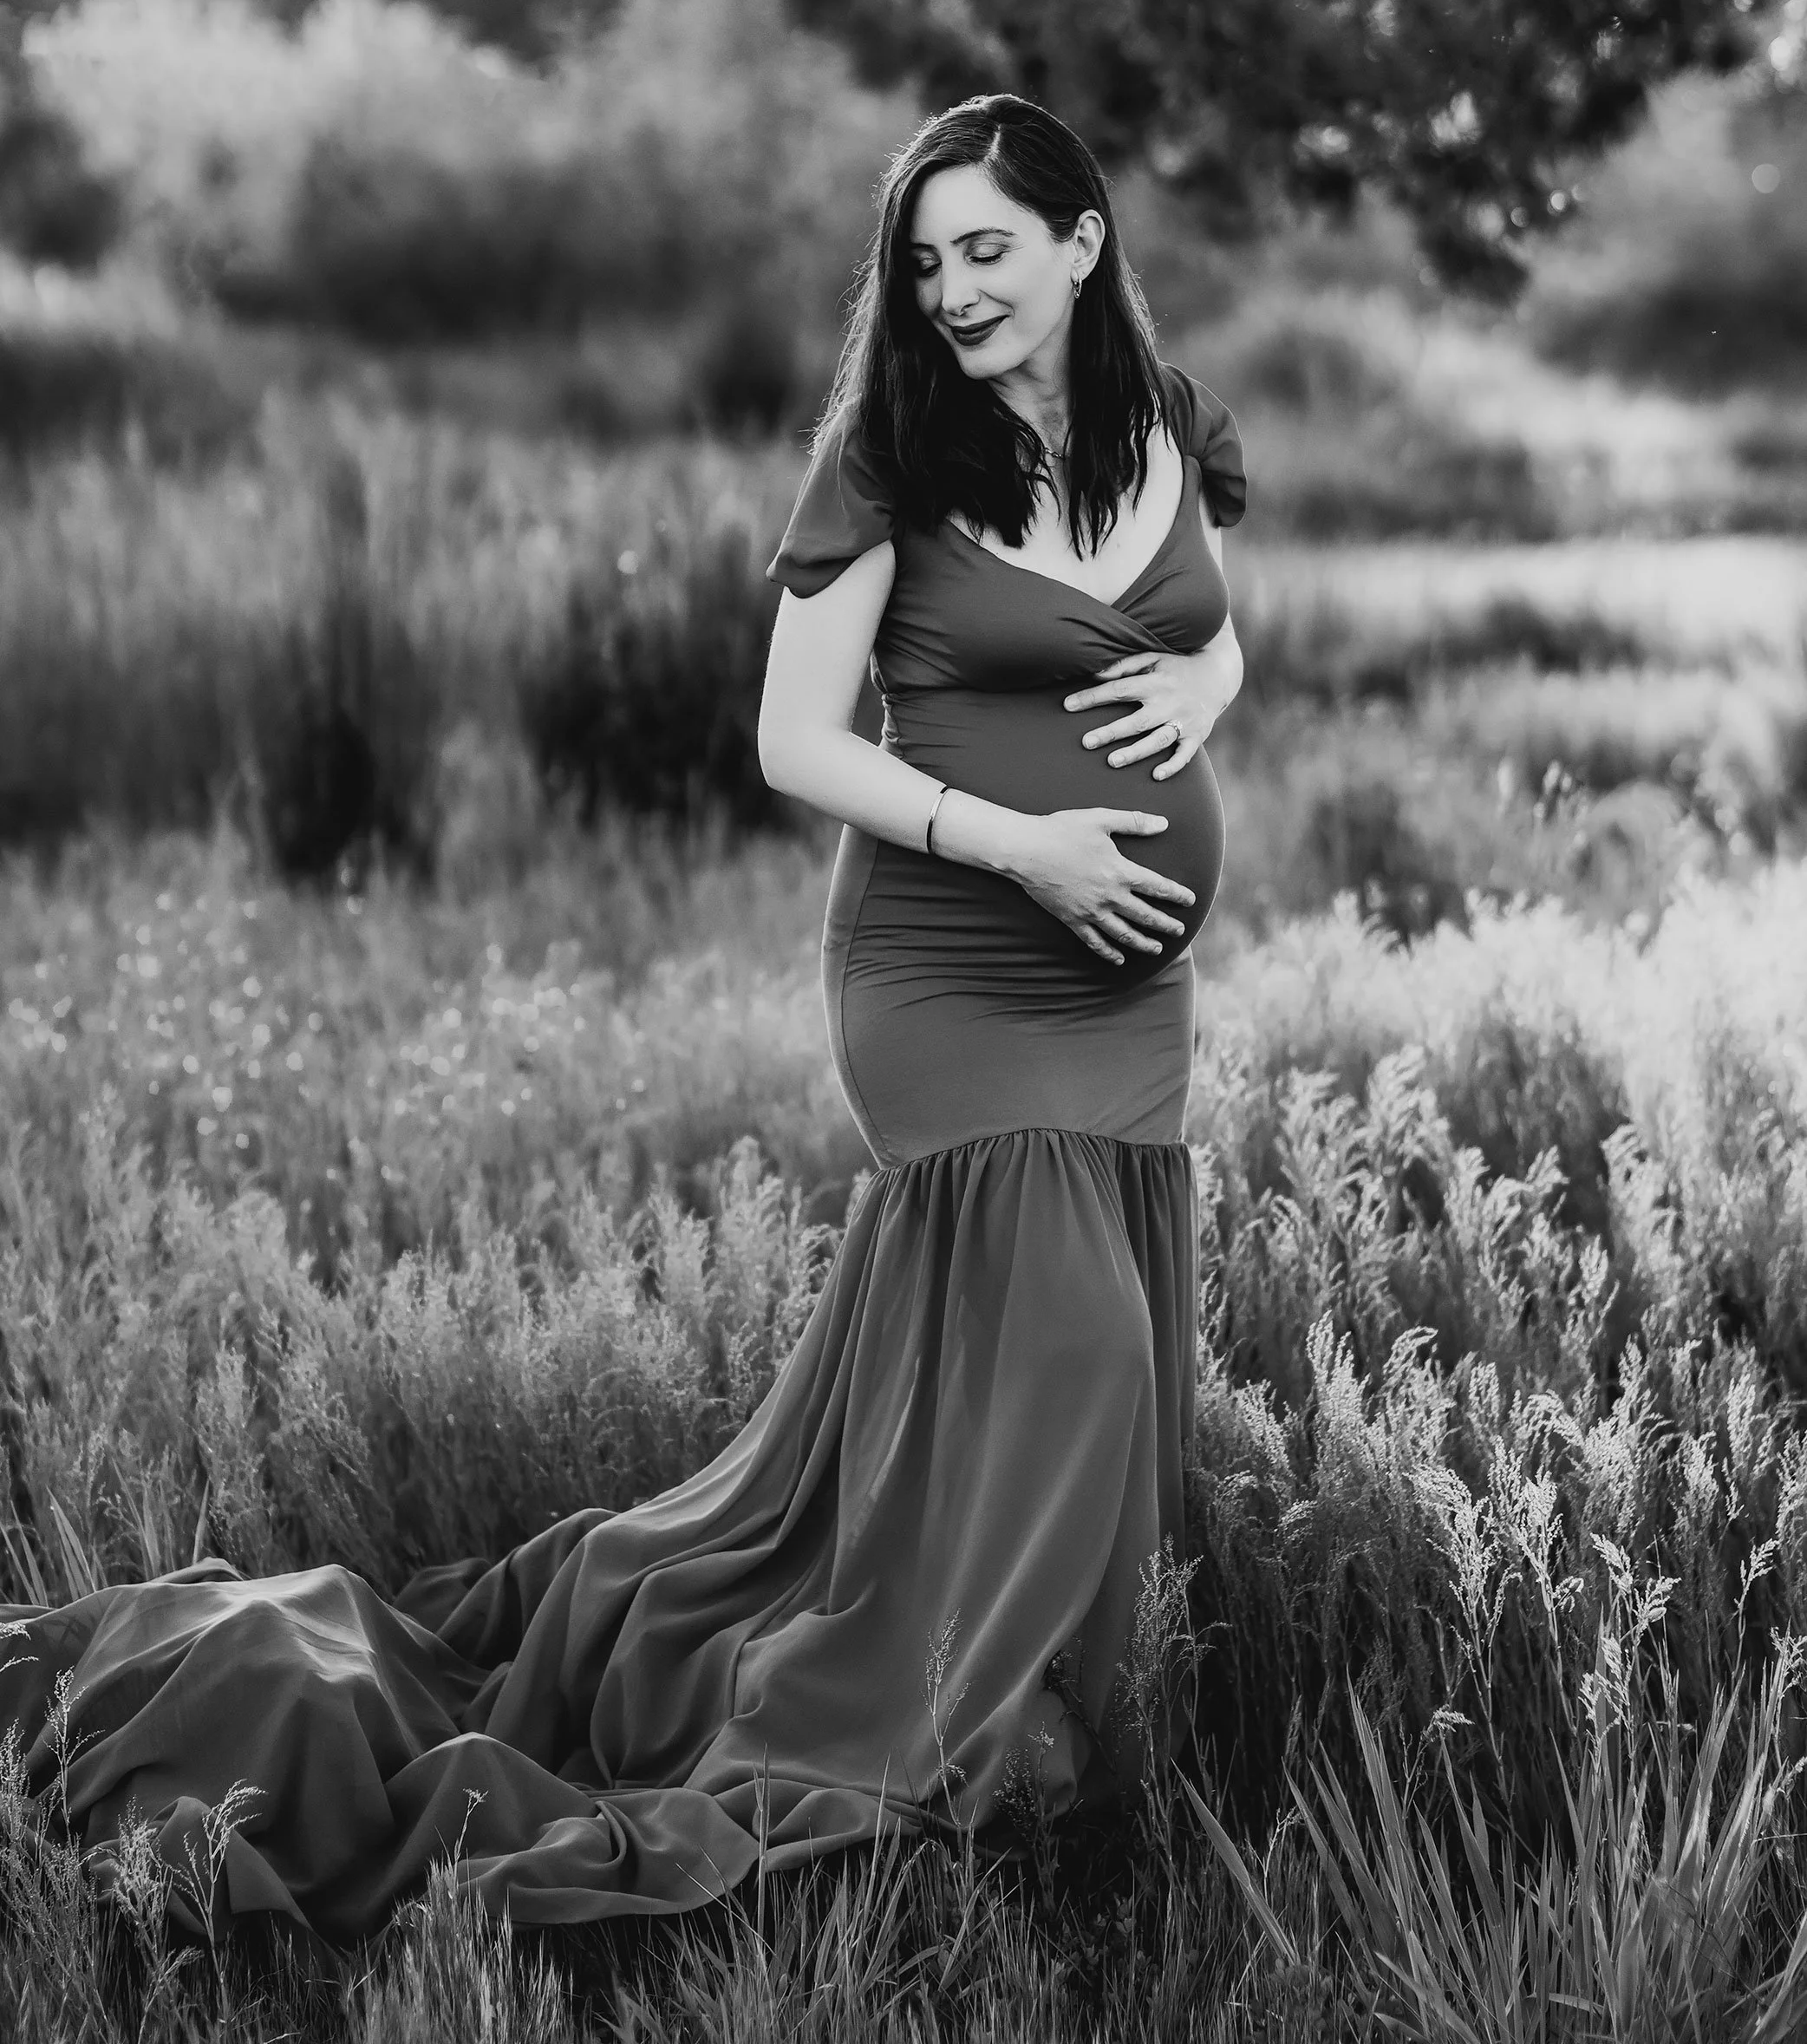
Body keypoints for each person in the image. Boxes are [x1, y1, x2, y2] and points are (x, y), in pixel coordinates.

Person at [0, 95, 1243, 1942]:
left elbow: (1213, 612)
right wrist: (1030, 849)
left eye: (990, 246)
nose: (956, 288)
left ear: (1080, 240)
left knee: (1088, 1359)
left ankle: (1049, 1709)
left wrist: (1202, 686)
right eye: (925, 260)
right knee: (1082, 1353)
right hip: (949, 969)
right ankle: (957, 1744)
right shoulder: (894, 452)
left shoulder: (1163, 426)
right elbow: (790, 736)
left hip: (1129, 1002)